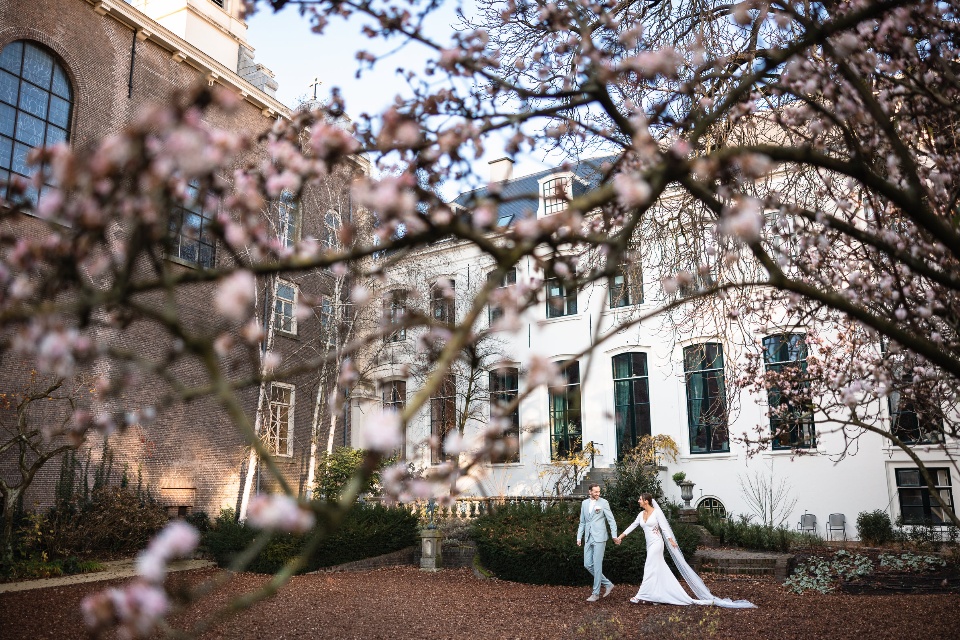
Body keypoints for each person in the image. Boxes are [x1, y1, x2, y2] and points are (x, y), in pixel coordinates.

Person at [615, 493, 756, 608]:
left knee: (649, 567)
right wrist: (620, 537)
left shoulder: (656, 512)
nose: (638, 501)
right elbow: (632, 526)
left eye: (640, 499)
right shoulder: (640, 515)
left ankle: (641, 595)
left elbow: (664, 527)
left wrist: (670, 540)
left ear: (646, 501)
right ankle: (658, 595)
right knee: (658, 569)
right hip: (649, 544)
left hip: (658, 543)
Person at [576, 483, 618, 602]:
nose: (597, 494)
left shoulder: (604, 503)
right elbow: (582, 522)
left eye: (599, 492)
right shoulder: (584, 503)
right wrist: (579, 537)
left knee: (597, 565)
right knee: (587, 564)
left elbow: (611, 520)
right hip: (588, 537)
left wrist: (614, 535)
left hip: (600, 537)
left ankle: (595, 593)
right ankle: (608, 584)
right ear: (590, 492)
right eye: (595, 492)